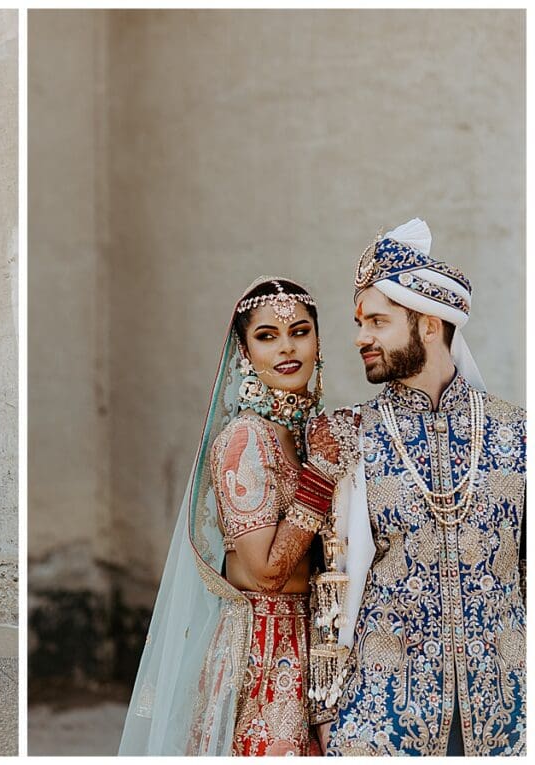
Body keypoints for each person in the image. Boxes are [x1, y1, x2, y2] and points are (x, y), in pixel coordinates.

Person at [311, 219, 525, 756]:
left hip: (508, 715)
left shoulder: (516, 434)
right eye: (360, 322)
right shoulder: (347, 436)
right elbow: (329, 583)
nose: (361, 337)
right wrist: (325, 711)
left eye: (378, 322)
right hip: (379, 716)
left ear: (430, 326)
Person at [119, 277, 347, 755]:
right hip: (261, 652)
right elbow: (266, 571)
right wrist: (321, 476)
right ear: (245, 353)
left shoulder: (309, 436)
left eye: (300, 331)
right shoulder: (246, 441)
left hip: (317, 647)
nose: (287, 348)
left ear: (318, 341)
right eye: (267, 336)